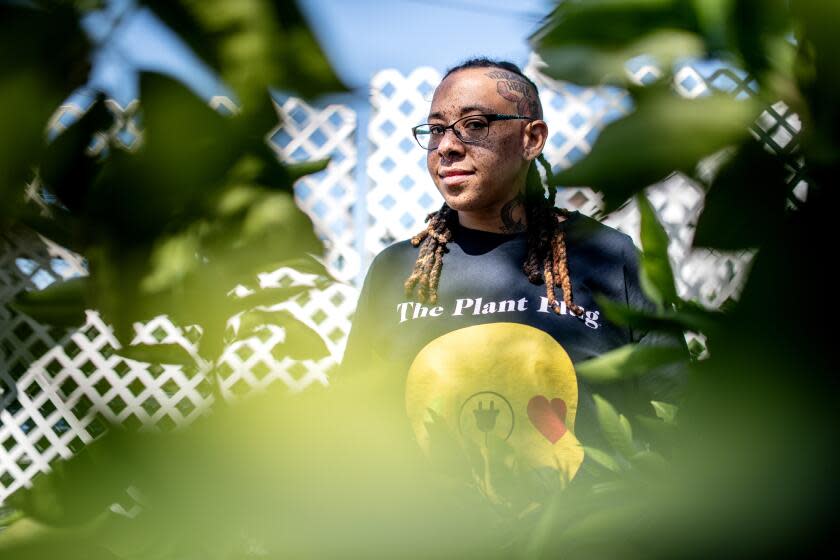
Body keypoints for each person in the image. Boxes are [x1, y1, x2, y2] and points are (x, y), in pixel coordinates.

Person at [340, 58, 687, 478]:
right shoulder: (396, 270)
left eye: (475, 124)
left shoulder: (609, 258)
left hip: (581, 536)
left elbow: (674, 418)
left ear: (532, 138)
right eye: (435, 130)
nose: (447, 146)